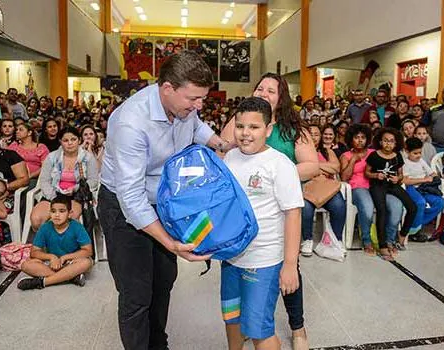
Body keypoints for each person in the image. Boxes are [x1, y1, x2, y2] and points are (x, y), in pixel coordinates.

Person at [97, 51, 233, 350]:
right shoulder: (131, 122)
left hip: (163, 200)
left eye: (201, 99)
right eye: (193, 99)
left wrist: (221, 145)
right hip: (122, 206)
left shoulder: (185, 109)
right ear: (167, 88)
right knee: (136, 292)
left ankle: (158, 344)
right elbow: (131, 198)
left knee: (163, 280)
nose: (199, 106)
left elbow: (197, 127)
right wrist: (170, 242)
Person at [220, 73, 318, 349]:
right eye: (240, 126)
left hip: (264, 257)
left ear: (268, 129)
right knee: (232, 318)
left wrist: (289, 265)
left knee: (259, 327)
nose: (245, 132)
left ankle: (298, 329)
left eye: (253, 127)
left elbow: (293, 214)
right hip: (232, 256)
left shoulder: (280, 163)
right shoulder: (231, 157)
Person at [340, 124, 404, 255]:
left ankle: (389, 241)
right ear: (350, 139)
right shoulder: (345, 155)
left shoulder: (374, 153)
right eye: (356, 137)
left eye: (363, 137)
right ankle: (367, 241)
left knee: (397, 206)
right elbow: (344, 177)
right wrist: (353, 160)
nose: (360, 140)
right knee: (368, 209)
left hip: (380, 187)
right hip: (358, 188)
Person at [17, 195, 93, 290]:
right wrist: (52, 257)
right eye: (53, 211)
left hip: (70, 262)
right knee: (26, 265)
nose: (57, 215)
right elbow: (34, 252)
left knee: (86, 262)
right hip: (51, 263)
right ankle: (70, 278)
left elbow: (88, 251)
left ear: (70, 213)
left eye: (62, 211)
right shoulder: (45, 227)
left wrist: (65, 257)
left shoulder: (77, 227)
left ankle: (43, 282)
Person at [30, 127, 98, 231]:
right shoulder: (51, 157)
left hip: (76, 196)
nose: (70, 143)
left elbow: (93, 181)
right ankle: (47, 243)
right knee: (36, 219)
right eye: (66, 140)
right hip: (53, 194)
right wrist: (54, 197)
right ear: (60, 142)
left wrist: (75, 188)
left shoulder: (88, 158)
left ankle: (61, 245)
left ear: (79, 140)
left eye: (73, 139)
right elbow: (44, 181)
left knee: (65, 219)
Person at [365, 128, 417, 260]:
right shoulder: (374, 156)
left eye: (391, 141)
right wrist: (376, 175)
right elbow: (367, 173)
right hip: (377, 185)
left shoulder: (397, 156)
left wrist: (398, 179)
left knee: (412, 207)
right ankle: (383, 246)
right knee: (381, 211)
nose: (388, 144)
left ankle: (402, 235)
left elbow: (401, 175)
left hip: (392, 185)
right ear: (380, 142)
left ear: (396, 143)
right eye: (385, 141)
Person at [304, 125, 346, 256]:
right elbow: (298, 169)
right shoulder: (300, 151)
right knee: (305, 208)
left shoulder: (327, 151)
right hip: (307, 186)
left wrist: (313, 167)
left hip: (326, 187)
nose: (313, 137)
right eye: (310, 133)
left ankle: (336, 240)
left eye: (316, 134)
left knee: (339, 205)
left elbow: (336, 168)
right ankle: (307, 239)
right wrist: (324, 168)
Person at [402, 137, 444, 242]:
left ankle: (416, 225)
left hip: (424, 188)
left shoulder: (421, 161)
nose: (418, 155)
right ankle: (415, 231)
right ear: (407, 151)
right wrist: (424, 179)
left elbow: (431, 173)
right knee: (420, 203)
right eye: (415, 153)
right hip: (411, 188)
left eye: (420, 152)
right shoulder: (405, 163)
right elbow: (406, 181)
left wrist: (434, 177)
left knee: (440, 202)